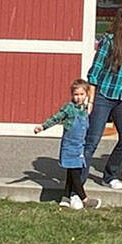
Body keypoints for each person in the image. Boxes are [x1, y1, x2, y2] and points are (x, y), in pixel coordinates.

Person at [84, 3, 122, 189]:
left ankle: (109, 175)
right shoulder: (108, 41)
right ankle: (77, 183)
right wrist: (91, 100)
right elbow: (95, 71)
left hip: (121, 98)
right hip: (103, 96)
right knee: (92, 140)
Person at [34, 79, 99, 210]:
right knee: (75, 172)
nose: (78, 97)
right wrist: (42, 127)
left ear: (86, 95)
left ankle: (65, 196)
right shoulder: (69, 108)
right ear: (72, 95)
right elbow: (56, 117)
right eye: (76, 94)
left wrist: (91, 100)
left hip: (80, 146)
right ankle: (84, 198)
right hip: (70, 146)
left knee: (72, 171)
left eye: (81, 94)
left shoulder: (85, 109)